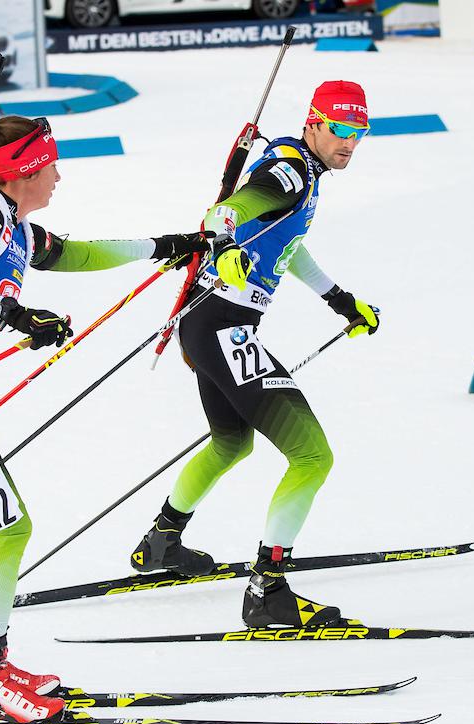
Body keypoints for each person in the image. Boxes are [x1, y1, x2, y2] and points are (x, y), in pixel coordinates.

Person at [0, 115, 210, 724]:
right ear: (25, 169)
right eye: (52, 165)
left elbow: (77, 253)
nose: (59, 176)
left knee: (6, 528)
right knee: (7, 528)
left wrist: (160, 247)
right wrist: (13, 313)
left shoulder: (15, 226)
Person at [129, 81, 380, 629]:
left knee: (230, 443)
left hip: (209, 326)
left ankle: (162, 543)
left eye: (359, 133)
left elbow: (286, 240)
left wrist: (338, 300)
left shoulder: (303, 170)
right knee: (313, 456)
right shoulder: (289, 172)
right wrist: (223, 254)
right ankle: (268, 590)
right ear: (313, 122)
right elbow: (228, 215)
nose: (349, 144)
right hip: (224, 327)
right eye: (339, 130)